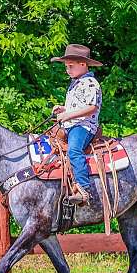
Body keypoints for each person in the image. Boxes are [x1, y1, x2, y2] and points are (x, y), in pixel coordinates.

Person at [51, 44, 103, 205]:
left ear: (83, 64)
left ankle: (83, 189)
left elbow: (92, 107)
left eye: (71, 66)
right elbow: (78, 105)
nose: (68, 69)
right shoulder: (76, 82)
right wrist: (64, 109)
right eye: (66, 66)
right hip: (71, 124)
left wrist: (68, 115)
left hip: (83, 126)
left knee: (74, 150)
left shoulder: (90, 83)